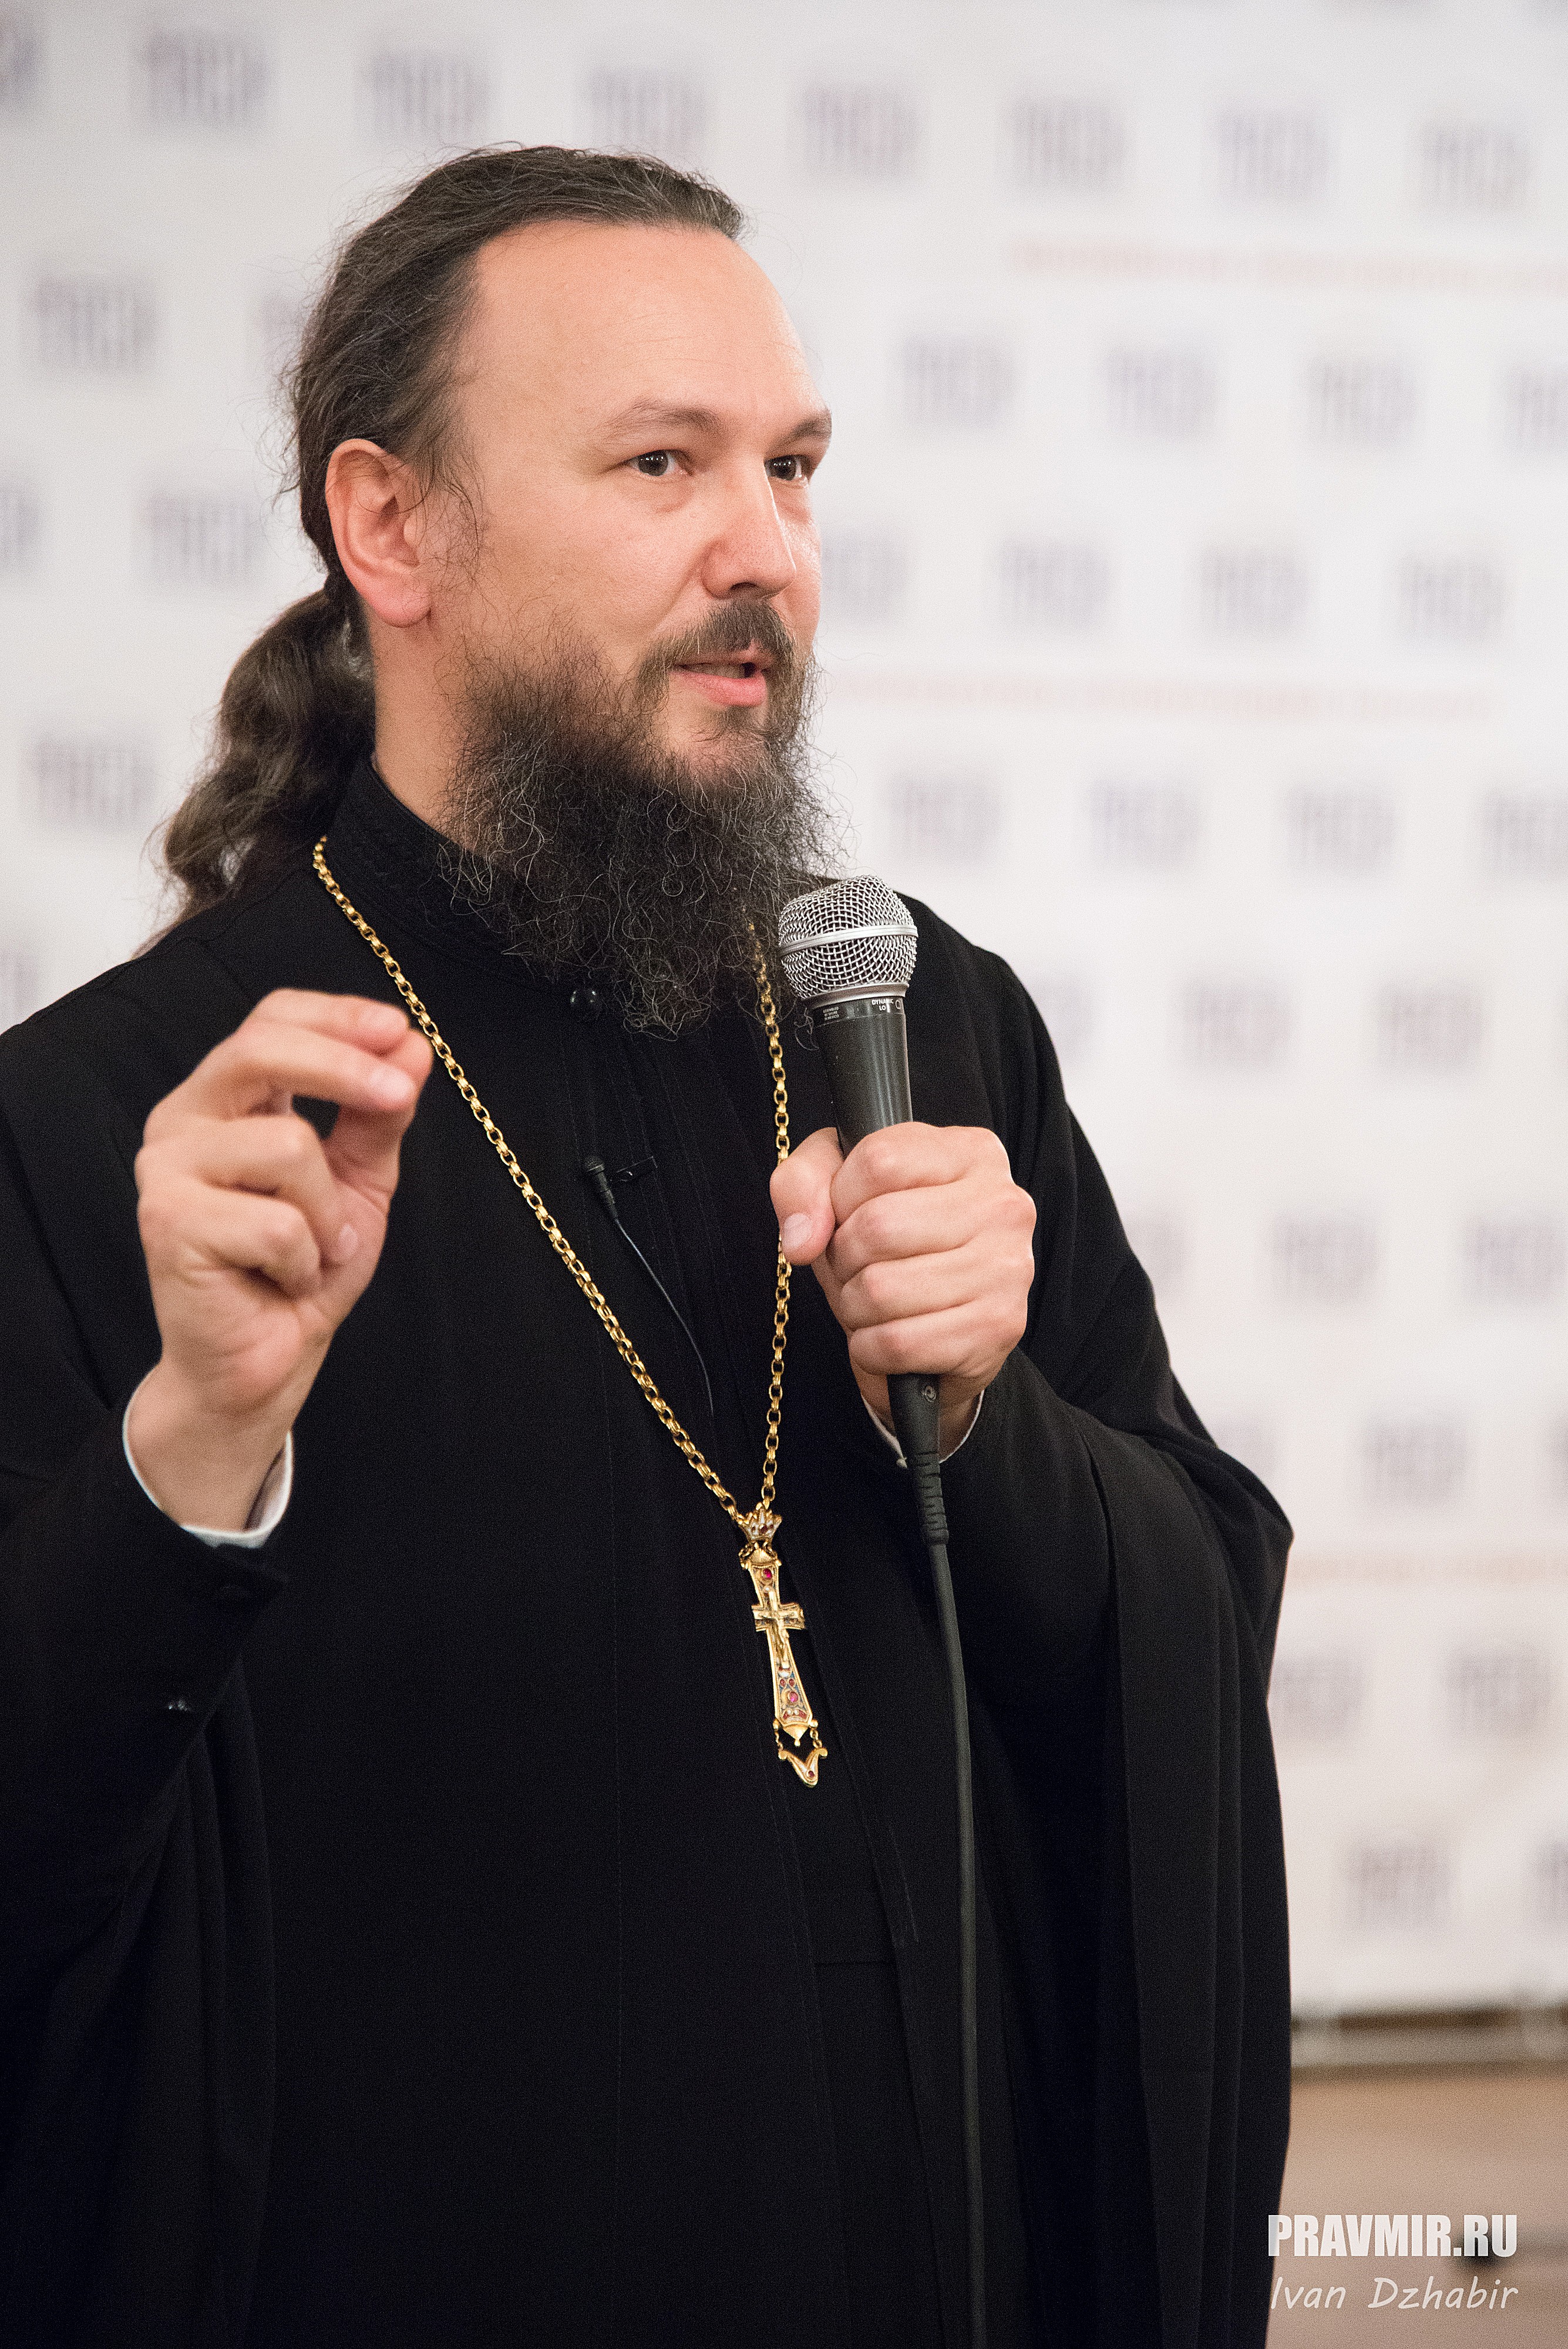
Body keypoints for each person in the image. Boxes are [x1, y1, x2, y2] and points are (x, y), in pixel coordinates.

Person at [0, 147, 1290, 2348]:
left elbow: (1187, 1615)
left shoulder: (924, 1022)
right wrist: (195, 1447)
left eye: (794, 468)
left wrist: (990, 1426)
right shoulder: (128, 1124)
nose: (765, 550)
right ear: (392, 527)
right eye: (662, 464)